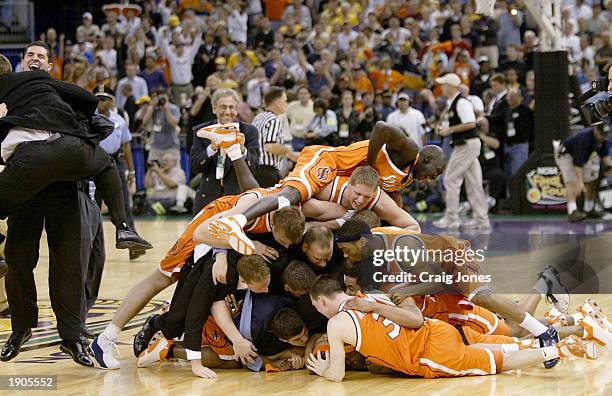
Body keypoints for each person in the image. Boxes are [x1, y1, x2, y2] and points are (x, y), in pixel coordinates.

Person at [206, 121, 446, 255]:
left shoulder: (406, 178)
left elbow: (390, 200)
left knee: (268, 195)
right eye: (434, 173)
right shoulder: (410, 150)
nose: (431, 179)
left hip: (338, 183)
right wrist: (370, 165)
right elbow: (381, 127)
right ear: (426, 159)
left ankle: (234, 149)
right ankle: (236, 221)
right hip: (328, 161)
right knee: (290, 196)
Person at [0, 41, 150, 249]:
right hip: (66, 151)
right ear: (22, 61)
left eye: (40, 56)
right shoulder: (48, 85)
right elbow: (89, 99)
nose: (35, 59)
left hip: (31, 162)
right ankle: (123, 228)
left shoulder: (30, 85)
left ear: (50, 66)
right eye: (31, 55)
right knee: (106, 164)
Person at [306, 276, 597, 382]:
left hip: (431, 353)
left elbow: (338, 375)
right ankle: (570, 328)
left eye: (318, 307)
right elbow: (414, 318)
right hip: (440, 329)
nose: (321, 313)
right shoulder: (372, 296)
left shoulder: (336, 324)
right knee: (503, 344)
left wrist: (323, 370)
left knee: (500, 362)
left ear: (321, 301)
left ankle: (555, 346)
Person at [433, 72, 490, 230]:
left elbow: (471, 123)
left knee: (450, 179)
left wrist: (450, 129)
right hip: (468, 144)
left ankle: (452, 218)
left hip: (467, 144)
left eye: (444, 85)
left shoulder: (461, 102)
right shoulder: (454, 103)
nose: (442, 88)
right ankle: (481, 219)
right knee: (474, 182)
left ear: (451, 87)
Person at [93, 84, 143, 258]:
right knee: (93, 206)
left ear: (112, 101)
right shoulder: (88, 118)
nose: (100, 102)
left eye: (104, 99)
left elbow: (127, 146)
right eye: (98, 98)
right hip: (93, 163)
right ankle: (92, 245)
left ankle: (133, 244)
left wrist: (131, 172)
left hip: (115, 162)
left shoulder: (119, 120)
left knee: (122, 206)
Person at [190, 88, 259, 212]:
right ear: (214, 109)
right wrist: (211, 148)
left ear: (237, 109)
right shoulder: (201, 131)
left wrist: (242, 150)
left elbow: (254, 166)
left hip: (237, 201)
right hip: (207, 201)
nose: (228, 112)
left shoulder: (249, 131)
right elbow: (195, 166)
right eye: (223, 107)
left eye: (231, 107)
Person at [554, 124, 612, 222]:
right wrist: (580, 182)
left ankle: (589, 209)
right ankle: (572, 212)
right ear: (595, 130)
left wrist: (610, 169)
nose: (603, 137)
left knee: (592, 180)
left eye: (605, 135)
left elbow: (605, 157)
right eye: (601, 134)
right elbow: (577, 164)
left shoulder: (603, 139)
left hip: (583, 158)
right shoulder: (584, 139)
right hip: (566, 155)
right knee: (573, 182)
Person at [252, 86, 291, 187]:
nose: (287, 104)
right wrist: (288, 151)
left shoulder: (258, 117)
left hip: (253, 168)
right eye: (285, 101)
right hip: (267, 172)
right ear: (278, 103)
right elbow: (270, 146)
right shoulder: (274, 120)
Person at [140, 89, 181, 162]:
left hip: (171, 147)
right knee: (153, 170)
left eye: (164, 98)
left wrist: (167, 110)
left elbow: (174, 123)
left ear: (168, 97)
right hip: (155, 146)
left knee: (172, 171)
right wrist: (152, 107)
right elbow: (144, 122)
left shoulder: (173, 108)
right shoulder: (154, 108)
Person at [503, 88, 534, 177]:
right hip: (507, 145)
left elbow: (530, 129)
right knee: (508, 174)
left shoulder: (525, 110)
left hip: (520, 146)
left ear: (520, 97)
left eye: (513, 96)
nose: (510, 98)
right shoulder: (507, 110)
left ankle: (519, 191)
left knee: (518, 173)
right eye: (509, 96)